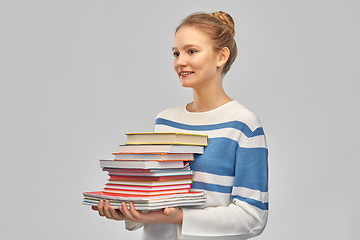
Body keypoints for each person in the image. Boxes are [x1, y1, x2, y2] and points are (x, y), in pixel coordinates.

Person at [92, 11, 269, 240]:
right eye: (176, 53)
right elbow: (156, 195)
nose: (180, 61)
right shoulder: (165, 121)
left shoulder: (244, 125)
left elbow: (253, 218)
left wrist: (179, 217)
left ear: (221, 57)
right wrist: (127, 211)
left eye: (191, 51)